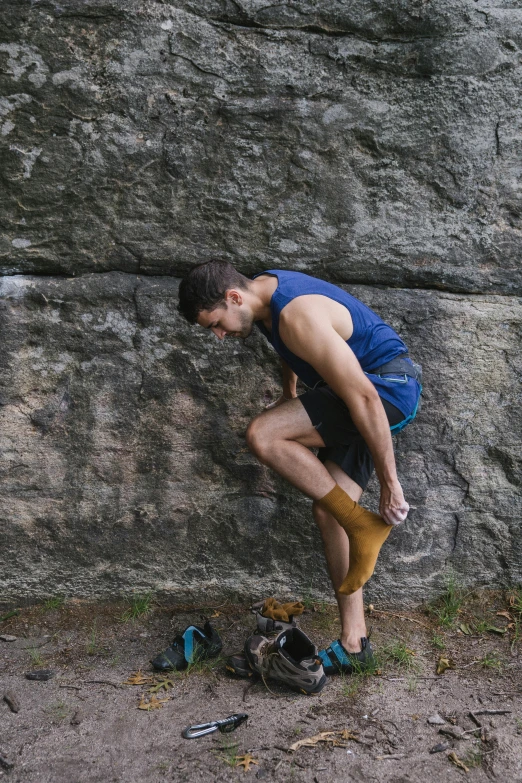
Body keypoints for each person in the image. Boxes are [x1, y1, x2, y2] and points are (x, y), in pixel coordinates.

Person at [175, 260, 422, 674]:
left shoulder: (295, 315)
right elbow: (292, 348)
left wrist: (390, 484)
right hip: (357, 390)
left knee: (264, 435)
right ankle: (355, 644)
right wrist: (290, 392)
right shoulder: (267, 298)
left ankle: (364, 525)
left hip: (384, 390)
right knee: (328, 510)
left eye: (214, 323)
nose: (218, 335)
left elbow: (364, 399)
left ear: (234, 298)